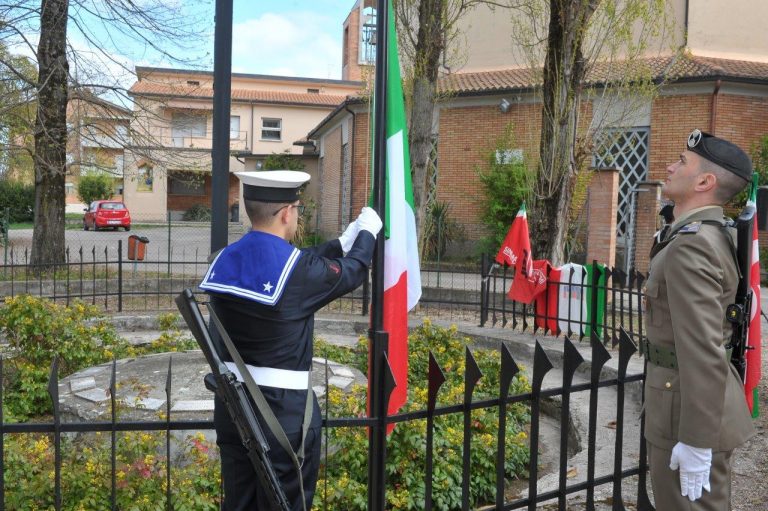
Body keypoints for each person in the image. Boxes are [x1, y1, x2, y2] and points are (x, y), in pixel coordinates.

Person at [199, 170, 381, 510]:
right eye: (297, 208)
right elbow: (352, 271)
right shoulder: (297, 270)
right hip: (282, 416)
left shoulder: (224, 258)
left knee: (239, 503)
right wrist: (368, 232)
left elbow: (297, 263)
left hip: (233, 408)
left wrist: (342, 242)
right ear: (286, 213)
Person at [643, 129, 756, 509]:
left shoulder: (691, 246)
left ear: (705, 182)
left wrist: (696, 441)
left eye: (682, 161)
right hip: (686, 401)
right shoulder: (707, 234)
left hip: (686, 413)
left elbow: (703, 350)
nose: (670, 167)